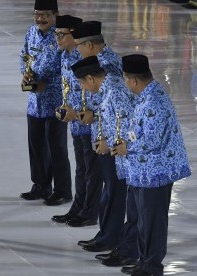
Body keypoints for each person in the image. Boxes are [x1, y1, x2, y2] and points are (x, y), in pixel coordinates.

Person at [112, 54, 191, 276]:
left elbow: (152, 140)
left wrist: (126, 147)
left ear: (134, 80)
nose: (125, 84)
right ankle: (144, 261)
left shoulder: (154, 101)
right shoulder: (144, 96)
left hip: (157, 172)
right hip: (142, 171)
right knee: (142, 220)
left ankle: (152, 267)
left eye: (125, 79)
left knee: (153, 223)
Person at [71, 21, 128, 254]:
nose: (78, 52)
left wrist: (105, 134)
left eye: (80, 47)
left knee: (113, 190)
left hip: (113, 140)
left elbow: (119, 111)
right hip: (101, 133)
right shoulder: (101, 63)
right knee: (109, 189)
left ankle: (110, 237)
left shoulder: (109, 68)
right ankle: (105, 234)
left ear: (91, 45)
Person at [50, 15, 103, 227]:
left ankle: (90, 211)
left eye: (62, 35)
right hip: (75, 123)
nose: (58, 39)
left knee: (92, 170)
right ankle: (78, 207)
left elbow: (99, 93)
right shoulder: (65, 56)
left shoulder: (92, 60)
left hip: (90, 122)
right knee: (81, 169)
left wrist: (84, 112)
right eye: (56, 34)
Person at [19, 0, 73, 206]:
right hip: (34, 102)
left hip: (56, 102)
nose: (40, 18)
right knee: (36, 145)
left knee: (56, 147)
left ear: (56, 14)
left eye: (45, 14)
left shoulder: (61, 37)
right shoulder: (31, 32)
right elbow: (24, 55)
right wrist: (25, 75)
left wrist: (46, 85)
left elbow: (68, 71)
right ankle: (40, 185)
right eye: (36, 14)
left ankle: (62, 190)